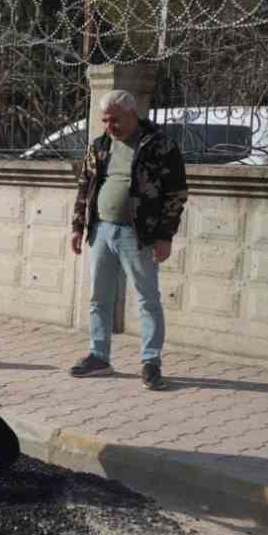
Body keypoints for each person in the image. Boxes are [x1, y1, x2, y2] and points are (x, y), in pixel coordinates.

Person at [68, 89, 188, 390]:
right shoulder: (100, 145)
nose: (110, 126)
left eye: (115, 120)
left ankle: (151, 362)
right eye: (105, 120)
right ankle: (99, 356)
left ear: (133, 114)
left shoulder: (160, 145)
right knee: (99, 297)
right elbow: (85, 186)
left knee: (147, 299)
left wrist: (165, 236)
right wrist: (77, 227)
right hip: (101, 230)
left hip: (140, 234)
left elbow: (176, 194)